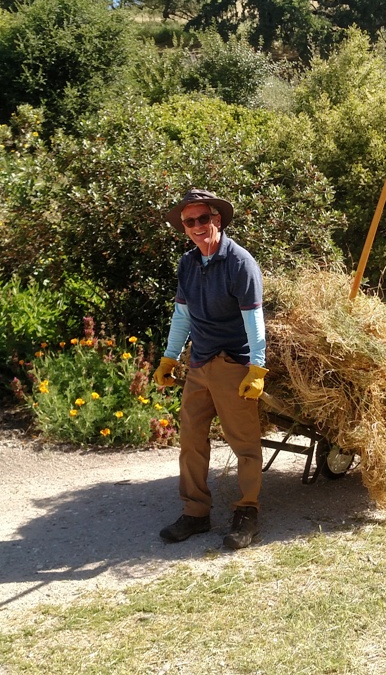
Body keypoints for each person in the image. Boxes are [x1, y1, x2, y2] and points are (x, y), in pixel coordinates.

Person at [154, 189, 269, 550]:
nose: (197, 227)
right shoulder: (188, 263)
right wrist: (170, 358)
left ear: (216, 220)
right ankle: (195, 511)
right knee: (190, 440)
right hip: (200, 363)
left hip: (234, 363)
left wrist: (257, 368)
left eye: (204, 219)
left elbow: (254, 319)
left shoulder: (240, 263)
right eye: (190, 222)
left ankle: (247, 511)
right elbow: (182, 315)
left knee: (244, 443)